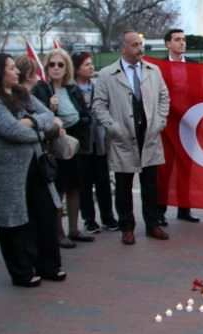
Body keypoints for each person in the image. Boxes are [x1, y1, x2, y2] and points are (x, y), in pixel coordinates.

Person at [0, 53, 65, 287]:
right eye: (12, 68)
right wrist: (43, 129)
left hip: (35, 164)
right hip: (4, 170)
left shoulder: (21, 94)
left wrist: (32, 122)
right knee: (14, 221)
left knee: (44, 213)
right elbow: (14, 132)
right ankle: (22, 272)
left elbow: (47, 115)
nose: (17, 72)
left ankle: (48, 266)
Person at [93, 31, 171, 245]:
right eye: (135, 45)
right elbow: (98, 105)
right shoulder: (107, 74)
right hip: (122, 137)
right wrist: (112, 127)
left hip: (150, 135)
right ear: (124, 48)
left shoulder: (153, 71)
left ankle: (152, 224)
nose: (140, 49)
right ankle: (127, 227)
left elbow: (164, 96)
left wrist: (160, 120)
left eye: (141, 44)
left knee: (150, 184)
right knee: (123, 185)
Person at [32, 49, 95, 248]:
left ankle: (74, 229)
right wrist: (50, 110)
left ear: (67, 67)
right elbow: (36, 118)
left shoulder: (72, 88)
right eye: (52, 64)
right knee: (57, 189)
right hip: (53, 145)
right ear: (46, 67)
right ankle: (57, 232)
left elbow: (85, 113)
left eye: (60, 64)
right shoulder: (41, 89)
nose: (56, 68)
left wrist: (82, 120)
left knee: (75, 187)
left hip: (74, 143)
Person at [72, 52, 118, 233]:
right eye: (86, 65)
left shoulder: (97, 86)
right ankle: (89, 219)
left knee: (103, 180)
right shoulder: (72, 89)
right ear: (76, 69)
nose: (91, 67)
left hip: (99, 141)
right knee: (84, 182)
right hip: (82, 143)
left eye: (91, 64)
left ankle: (108, 217)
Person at [157, 28, 200, 225]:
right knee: (163, 169)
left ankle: (185, 208)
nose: (182, 43)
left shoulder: (193, 65)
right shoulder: (159, 66)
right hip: (166, 125)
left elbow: (199, 93)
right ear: (168, 44)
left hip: (188, 124)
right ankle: (160, 211)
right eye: (177, 40)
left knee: (186, 168)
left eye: (183, 39)